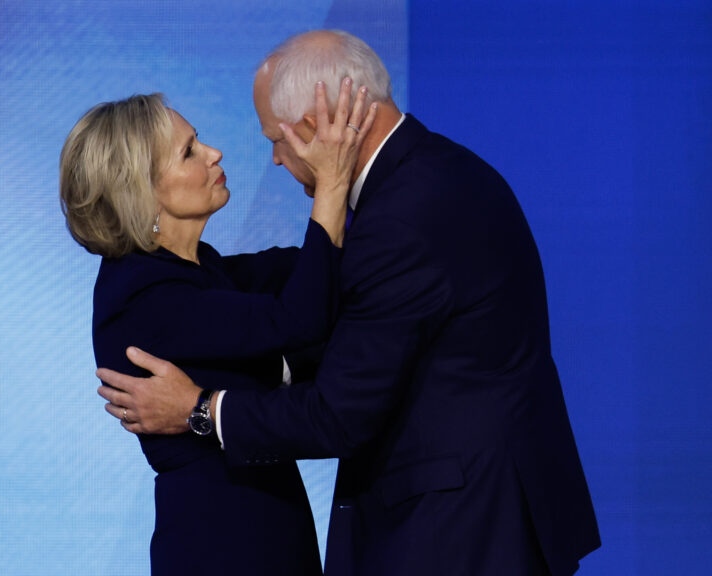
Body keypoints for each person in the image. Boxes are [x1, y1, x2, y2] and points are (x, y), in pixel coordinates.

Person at [97, 30, 601, 575]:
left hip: (456, 530)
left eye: (277, 140)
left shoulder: (401, 218)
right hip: (237, 539)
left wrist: (200, 409)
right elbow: (314, 311)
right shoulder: (434, 178)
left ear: (317, 126)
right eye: (191, 151)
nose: (274, 160)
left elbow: (338, 410)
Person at [60, 84, 376, 576]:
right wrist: (332, 185)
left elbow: (310, 274)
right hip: (224, 543)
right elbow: (301, 317)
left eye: (199, 140)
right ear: (141, 192)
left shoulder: (197, 269)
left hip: (263, 525)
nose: (214, 154)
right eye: (189, 152)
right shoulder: (144, 297)